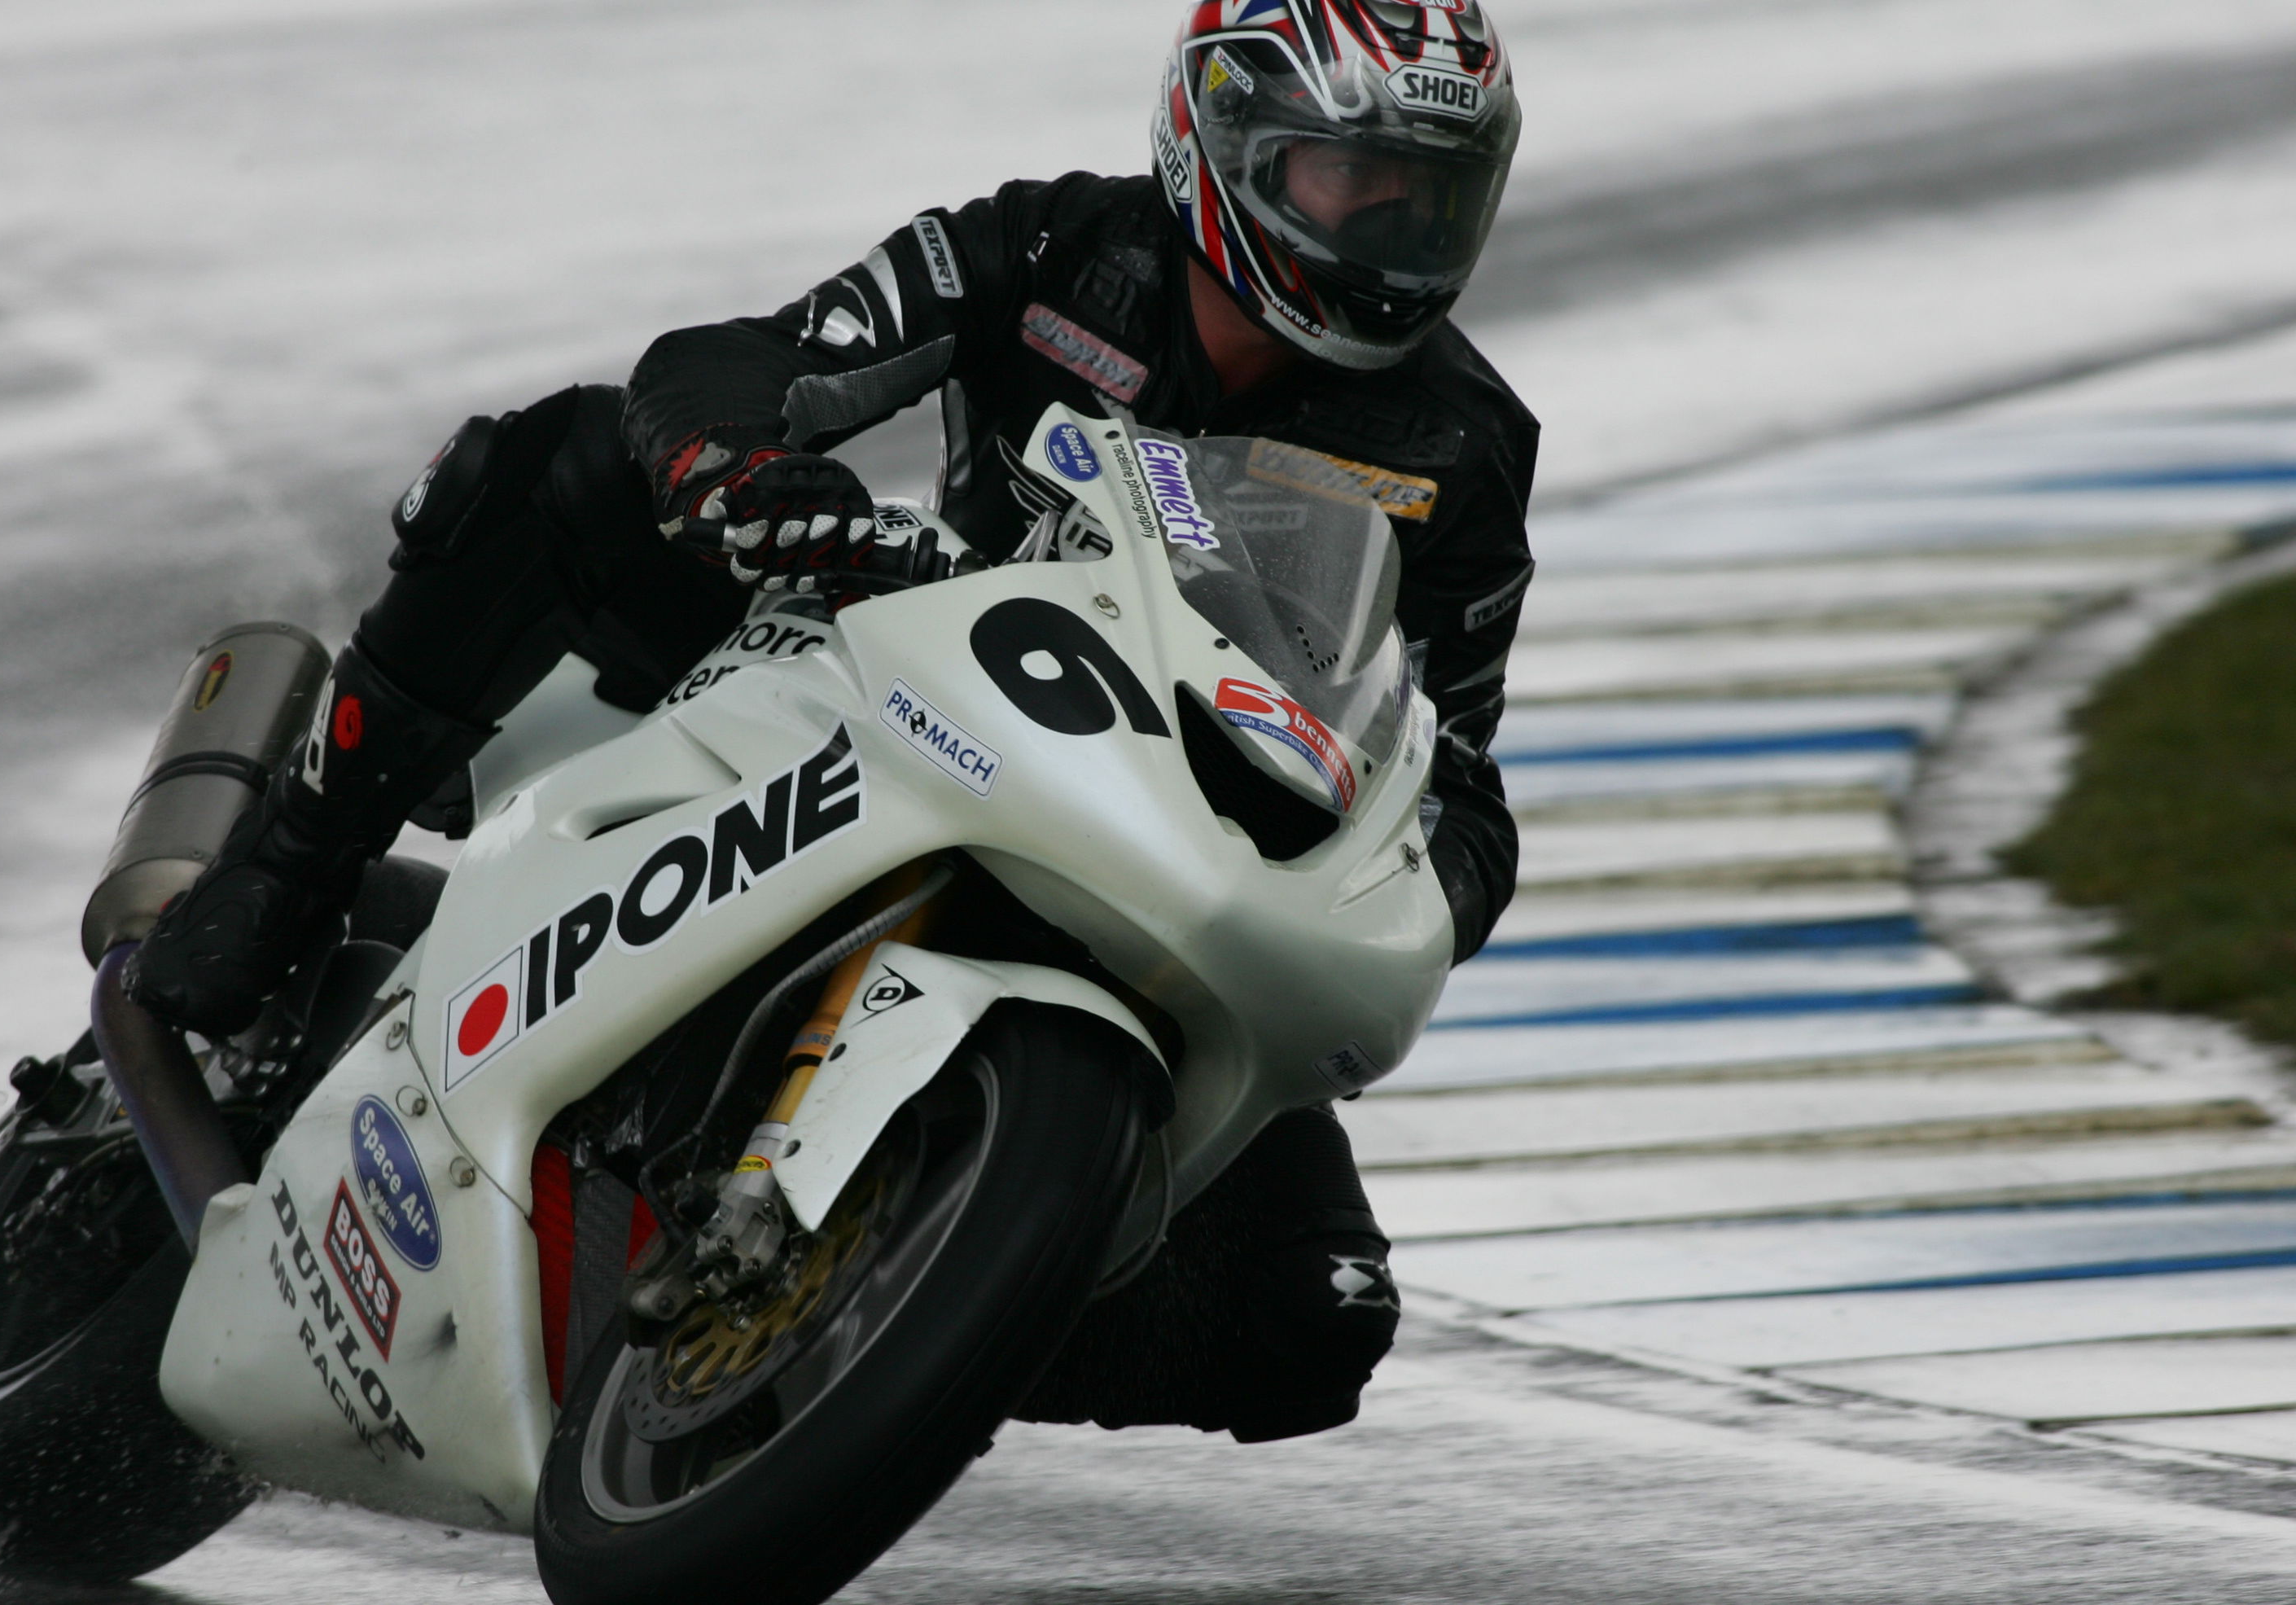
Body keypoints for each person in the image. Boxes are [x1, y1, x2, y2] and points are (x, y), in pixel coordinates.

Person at [132, 0, 1533, 1442]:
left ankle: (880, 1317)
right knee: (565, 461)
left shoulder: (1466, 450)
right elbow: (747, 357)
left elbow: (1456, 774)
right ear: (1224, 139)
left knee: (1316, 1324)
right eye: (1350, 178)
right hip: (899, 662)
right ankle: (288, 871)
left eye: (1432, 196)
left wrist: (1408, 882)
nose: (1388, 235)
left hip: (1169, 845)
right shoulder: (1055, 250)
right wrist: (730, 467)